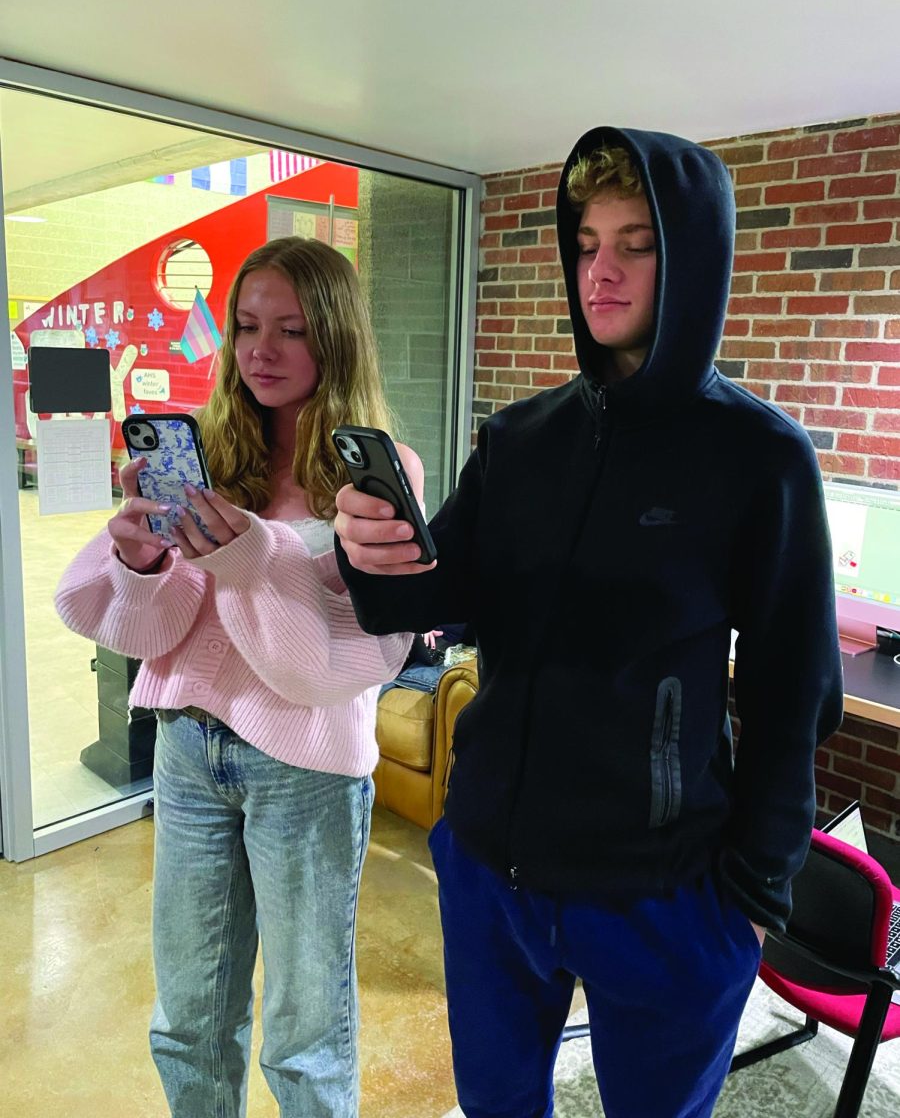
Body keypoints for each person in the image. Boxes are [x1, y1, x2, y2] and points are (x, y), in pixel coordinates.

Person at [332, 127, 845, 1118]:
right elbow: (428, 607)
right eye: (585, 242)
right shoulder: (520, 440)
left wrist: (753, 898)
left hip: (662, 894)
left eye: (636, 243)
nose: (600, 270)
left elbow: (795, 697)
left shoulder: (760, 457)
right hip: (491, 875)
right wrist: (371, 548)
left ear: (692, 256)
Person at [55, 236, 420, 1118]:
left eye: (291, 330)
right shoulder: (208, 452)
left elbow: (347, 661)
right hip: (187, 752)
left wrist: (259, 559)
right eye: (246, 326)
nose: (261, 350)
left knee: (302, 1028)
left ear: (334, 338)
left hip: (307, 770)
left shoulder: (380, 477)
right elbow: (152, 629)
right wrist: (141, 559)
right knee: (187, 1012)